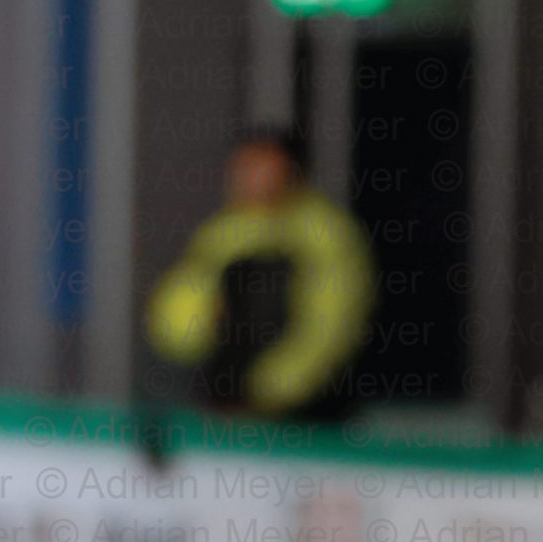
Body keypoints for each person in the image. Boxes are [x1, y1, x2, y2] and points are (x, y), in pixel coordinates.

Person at [144, 127, 378, 428]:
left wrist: (268, 393)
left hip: (306, 415)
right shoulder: (224, 231)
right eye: (243, 167)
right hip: (226, 408)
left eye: (261, 167)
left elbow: (329, 326)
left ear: (293, 171)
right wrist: (196, 329)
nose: (248, 176)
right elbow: (177, 314)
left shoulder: (326, 233)